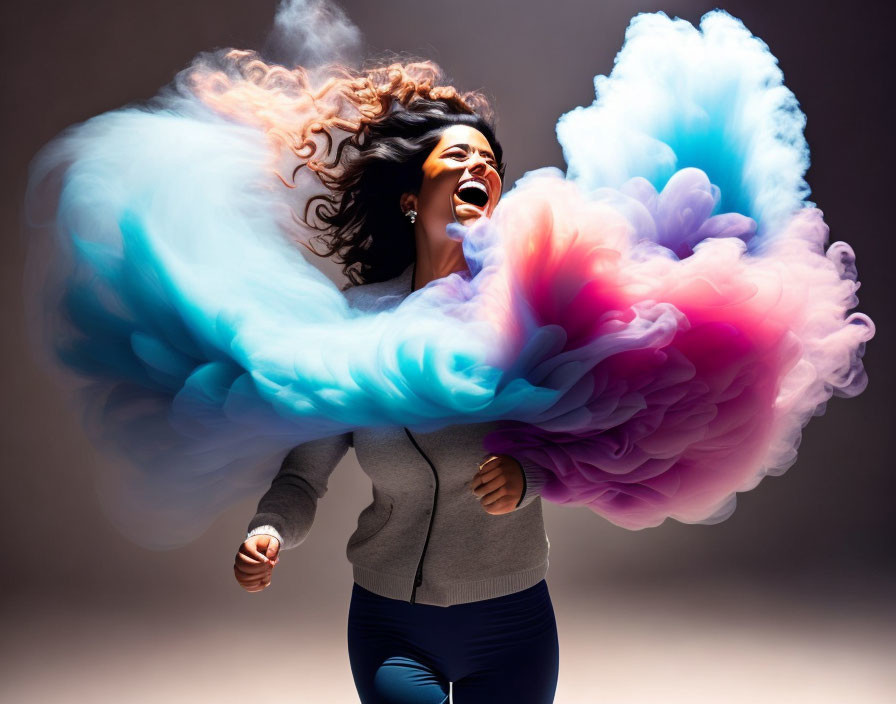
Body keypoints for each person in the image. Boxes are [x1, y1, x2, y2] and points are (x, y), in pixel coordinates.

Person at [231, 77, 561, 704]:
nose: (479, 167)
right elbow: (305, 472)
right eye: (459, 156)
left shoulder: (528, 307)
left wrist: (529, 477)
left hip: (513, 619)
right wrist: (269, 530)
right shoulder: (358, 317)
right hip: (392, 624)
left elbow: (585, 437)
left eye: (490, 163)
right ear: (413, 197)